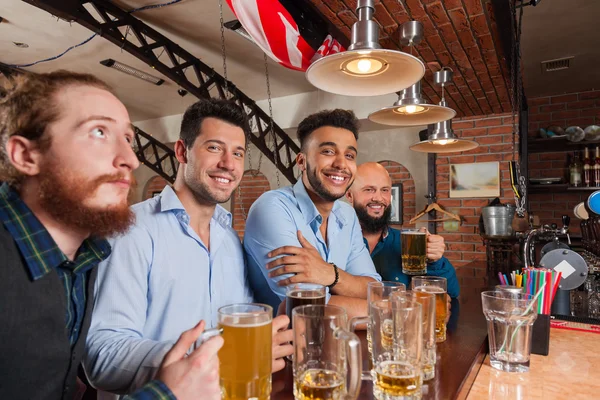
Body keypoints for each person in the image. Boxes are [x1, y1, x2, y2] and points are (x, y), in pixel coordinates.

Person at [0, 71, 223, 400]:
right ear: (26, 155)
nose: (130, 160)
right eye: (99, 132)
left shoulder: (86, 257)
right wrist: (167, 394)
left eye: (129, 138)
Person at [84, 98, 293, 398]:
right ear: (182, 151)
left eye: (237, 153)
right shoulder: (130, 230)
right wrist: (221, 355)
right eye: (214, 147)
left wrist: (277, 316)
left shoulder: (230, 240)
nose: (228, 164)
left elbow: (240, 323)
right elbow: (102, 356)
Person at [244, 109, 381, 319]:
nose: (341, 164)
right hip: (281, 348)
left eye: (350, 155)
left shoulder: (347, 214)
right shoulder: (272, 208)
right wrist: (389, 311)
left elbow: (374, 289)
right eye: (328, 151)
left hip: (337, 344)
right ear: (301, 162)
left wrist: (330, 274)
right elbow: (309, 309)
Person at [346, 162, 460, 298]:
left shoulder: (408, 242)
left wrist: (435, 261)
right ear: (349, 196)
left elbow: (451, 293)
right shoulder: (335, 239)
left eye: (384, 190)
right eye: (369, 190)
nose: (378, 198)